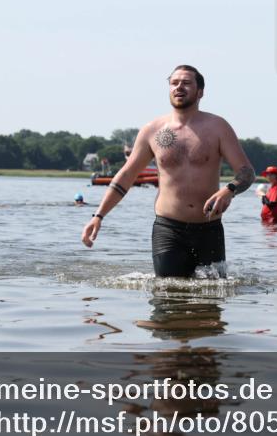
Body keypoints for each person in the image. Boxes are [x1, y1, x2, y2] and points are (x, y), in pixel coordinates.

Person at [81, 65, 255, 277]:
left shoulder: (218, 127)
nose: (179, 87)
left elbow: (246, 172)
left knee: (211, 301)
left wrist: (229, 190)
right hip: (168, 229)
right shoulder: (152, 130)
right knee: (167, 299)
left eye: (186, 83)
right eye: (174, 83)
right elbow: (126, 175)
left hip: (209, 229)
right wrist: (98, 216)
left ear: (200, 92)